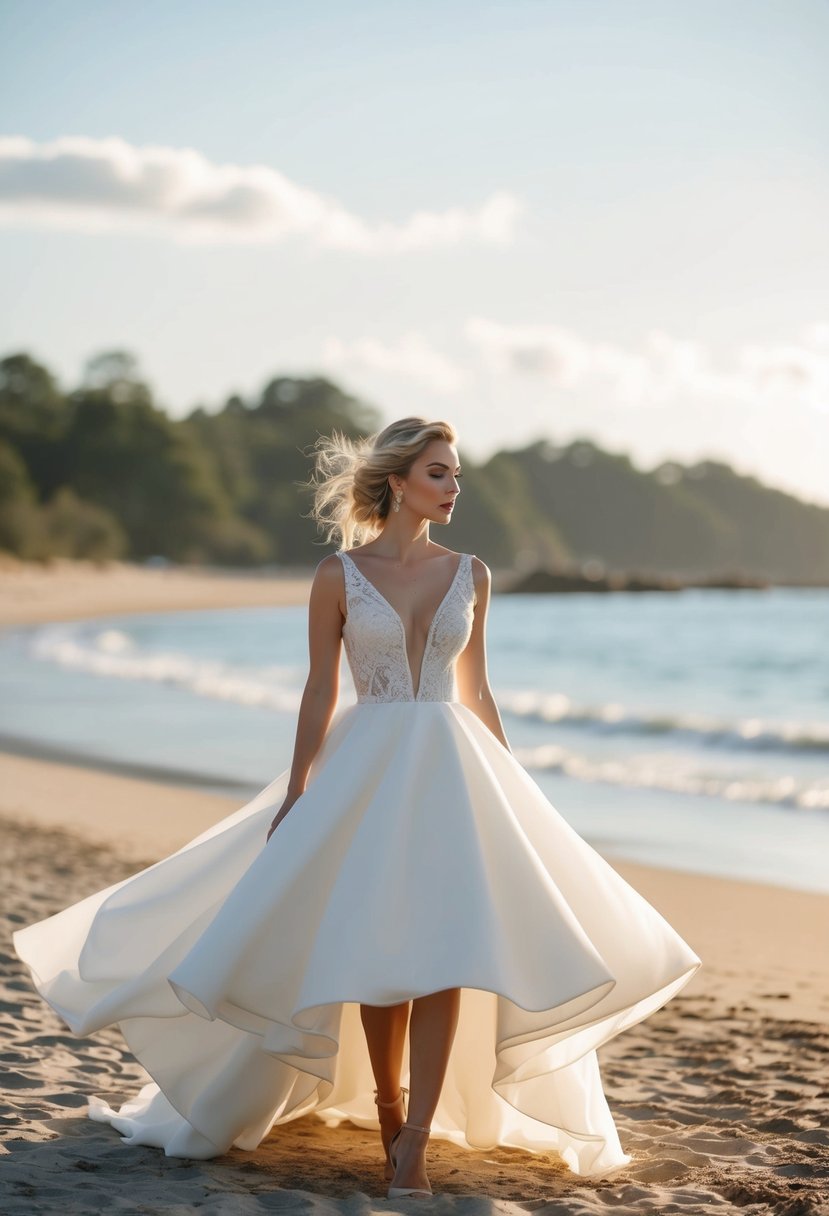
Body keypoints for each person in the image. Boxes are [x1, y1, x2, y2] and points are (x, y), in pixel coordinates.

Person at [14, 416, 701, 1198]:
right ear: (398, 481)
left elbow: (476, 689)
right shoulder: (338, 576)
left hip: (452, 771)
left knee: (451, 954)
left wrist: (516, 790)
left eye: (456, 474)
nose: (453, 488)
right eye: (440, 473)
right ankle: (387, 1108)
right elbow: (319, 688)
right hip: (366, 772)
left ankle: (412, 1140)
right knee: (385, 954)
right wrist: (301, 785)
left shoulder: (470, 573)